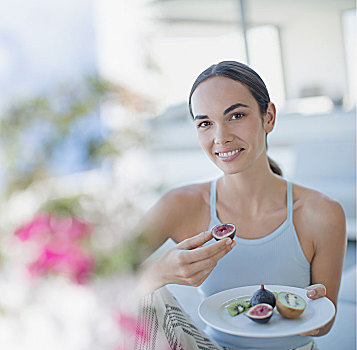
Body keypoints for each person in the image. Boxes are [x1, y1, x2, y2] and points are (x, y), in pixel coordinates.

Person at [137, 61, 346, 350]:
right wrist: (159, 272)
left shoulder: (322, 213)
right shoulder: (180, 205)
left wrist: (312, 309)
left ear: (268, 117)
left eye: (236, 115)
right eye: (205, 123)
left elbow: (323, 327)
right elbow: (96, 278)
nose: (220, 137)